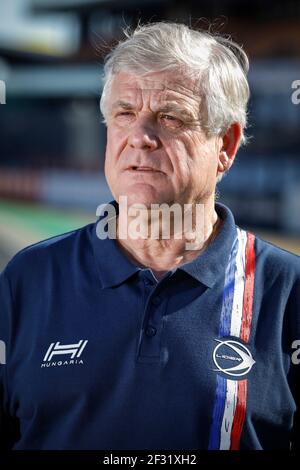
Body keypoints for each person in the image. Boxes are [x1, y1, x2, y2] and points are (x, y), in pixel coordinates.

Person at [0, 21, 299, 451]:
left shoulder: (288, 292)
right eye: (124, 114)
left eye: (170, 117)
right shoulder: (27, 279)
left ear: (226, 146)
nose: (140, 137)